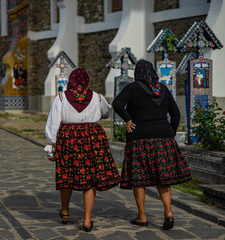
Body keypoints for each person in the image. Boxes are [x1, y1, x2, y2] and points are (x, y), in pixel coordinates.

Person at [113, 59, 191, 230]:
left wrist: (128, 119)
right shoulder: (162, 89)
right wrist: (169, 131)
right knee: (162, 178)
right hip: (163, 139)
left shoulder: (132, 88)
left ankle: (142, 216)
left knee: (138, 179)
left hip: (138, 139)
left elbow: (117, 104)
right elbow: (176, 114)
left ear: (138, 74)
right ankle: (168, 212)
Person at [45, 68, 120, 232]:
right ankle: (87, 220)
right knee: (90, 178)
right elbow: (106, 113)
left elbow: (53, 123)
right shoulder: (97, 97)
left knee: (67, 174)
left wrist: (51, 144)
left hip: (68, 140)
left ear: (71, 81)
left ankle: (65, 212)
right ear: (87, 81)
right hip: (92, 139)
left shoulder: (61, 97)